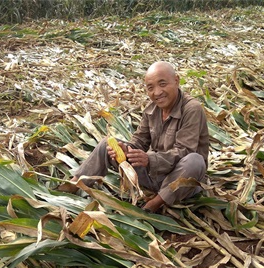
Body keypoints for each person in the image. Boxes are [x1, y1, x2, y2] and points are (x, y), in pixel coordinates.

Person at [59, 61, 209, 213]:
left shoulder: (192, 109)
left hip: (180, 182)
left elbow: (185, 151)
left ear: (176, 80)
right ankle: (74, 184)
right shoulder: (152, 109)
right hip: (154, 175)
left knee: (194, 161)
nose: (157, 92)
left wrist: (150, 160)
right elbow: (139, 141)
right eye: (150, 88)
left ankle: (155, 203)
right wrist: (125, 150)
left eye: (162, 84)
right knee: (106, 144)